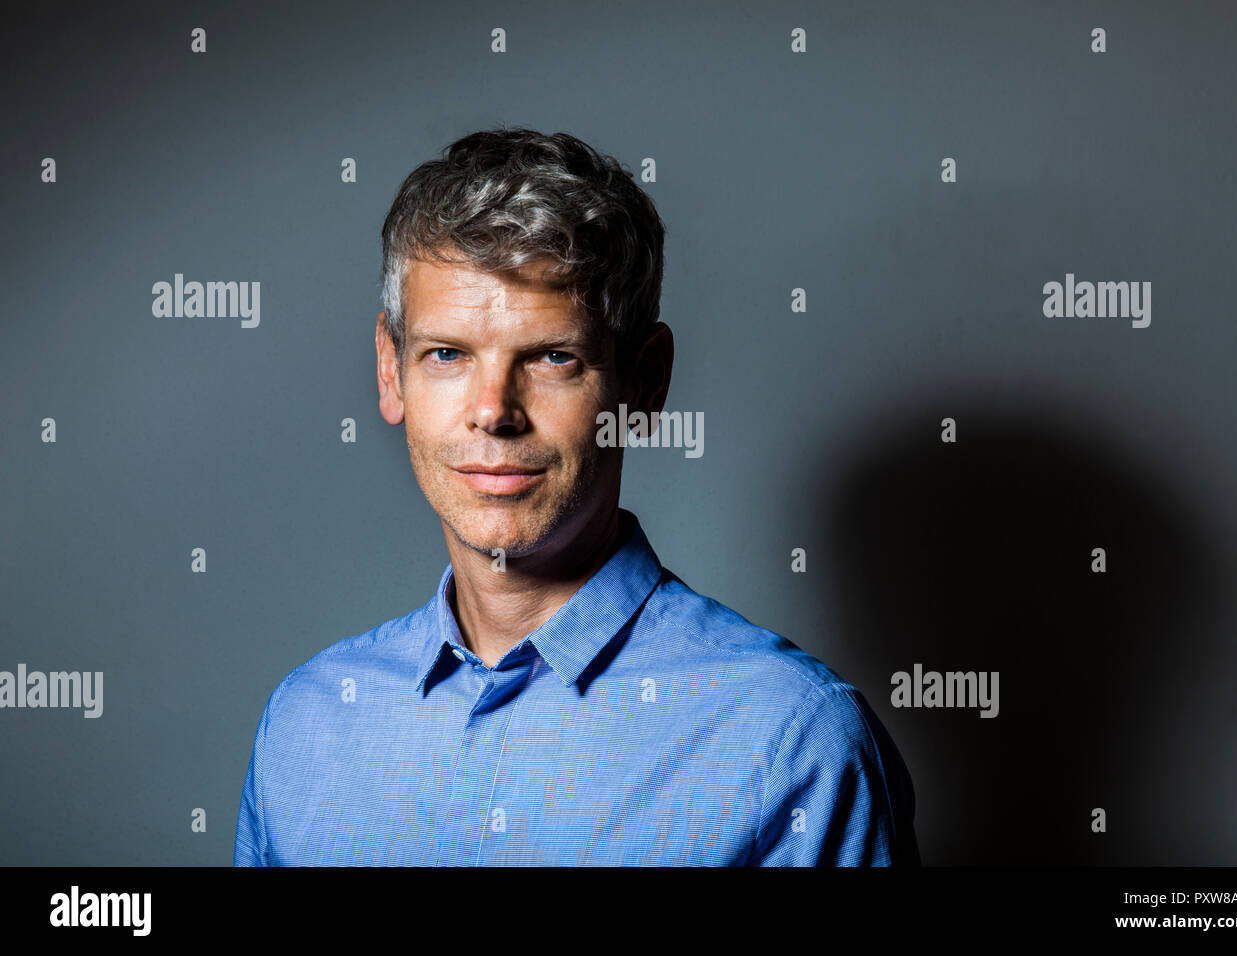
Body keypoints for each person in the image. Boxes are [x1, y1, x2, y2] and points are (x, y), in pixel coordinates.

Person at [234, 127, 918, 866]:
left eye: (554, 357)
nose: (493, 411)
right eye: (447, 354)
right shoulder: (307, 723)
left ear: (645, 382)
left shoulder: (792, 741)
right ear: (390, 370)